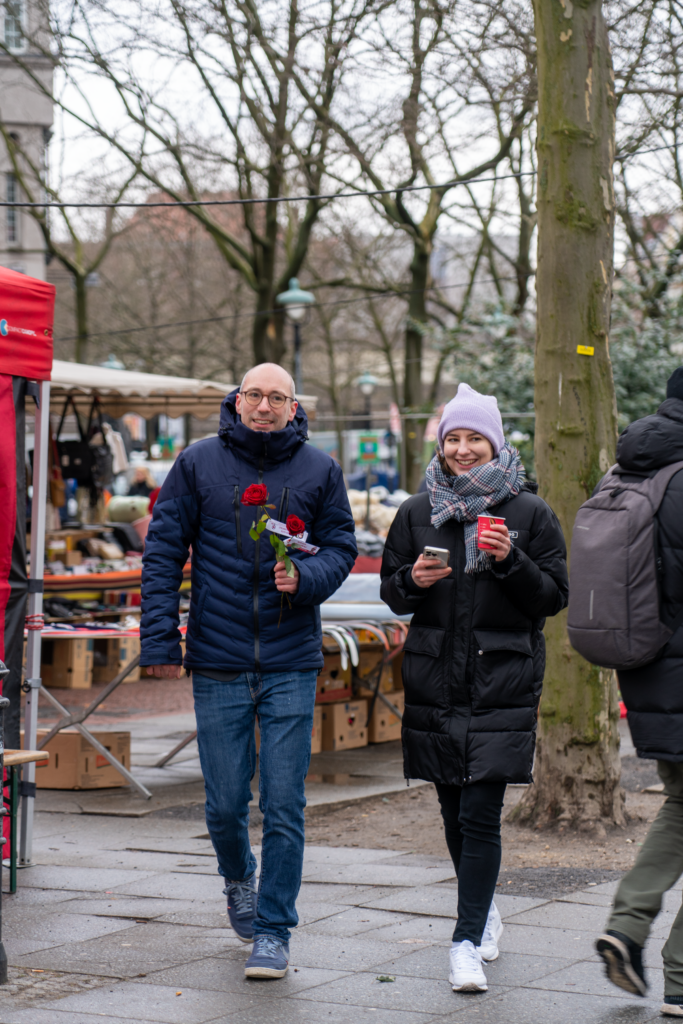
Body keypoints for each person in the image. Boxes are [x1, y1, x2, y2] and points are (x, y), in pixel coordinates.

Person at [140, 363, 357, 979]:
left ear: (295, 407)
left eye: (277, 397)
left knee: (285, 803)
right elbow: (162, 552)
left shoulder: (320, 469)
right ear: (237, 401)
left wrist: (306, 577)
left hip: (291, 658)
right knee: (226, 802)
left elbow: (340, 545)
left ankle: (273, 929)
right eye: (255, 395)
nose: (264, 406)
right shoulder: (197, 463)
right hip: (218, 658)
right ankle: (238, 878)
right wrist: (159, 642)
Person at [380, 382, 568, 994]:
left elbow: (552, 599)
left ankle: (464, 942)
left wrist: (512, 559)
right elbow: (393, 593)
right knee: (453, 812)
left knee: (482, 813)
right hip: (436, 680)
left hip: (500, 681)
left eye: (474, 438)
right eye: (453, 438)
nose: (463, 449)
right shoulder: (416, 511)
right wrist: (414, 577)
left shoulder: (529, 512)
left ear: (495, 443)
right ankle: (484, 912)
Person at [595, 368, 683, 1018]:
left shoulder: (631, 470)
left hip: (648, 669)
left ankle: (628, 928)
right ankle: (673, 971)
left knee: (681, 805)